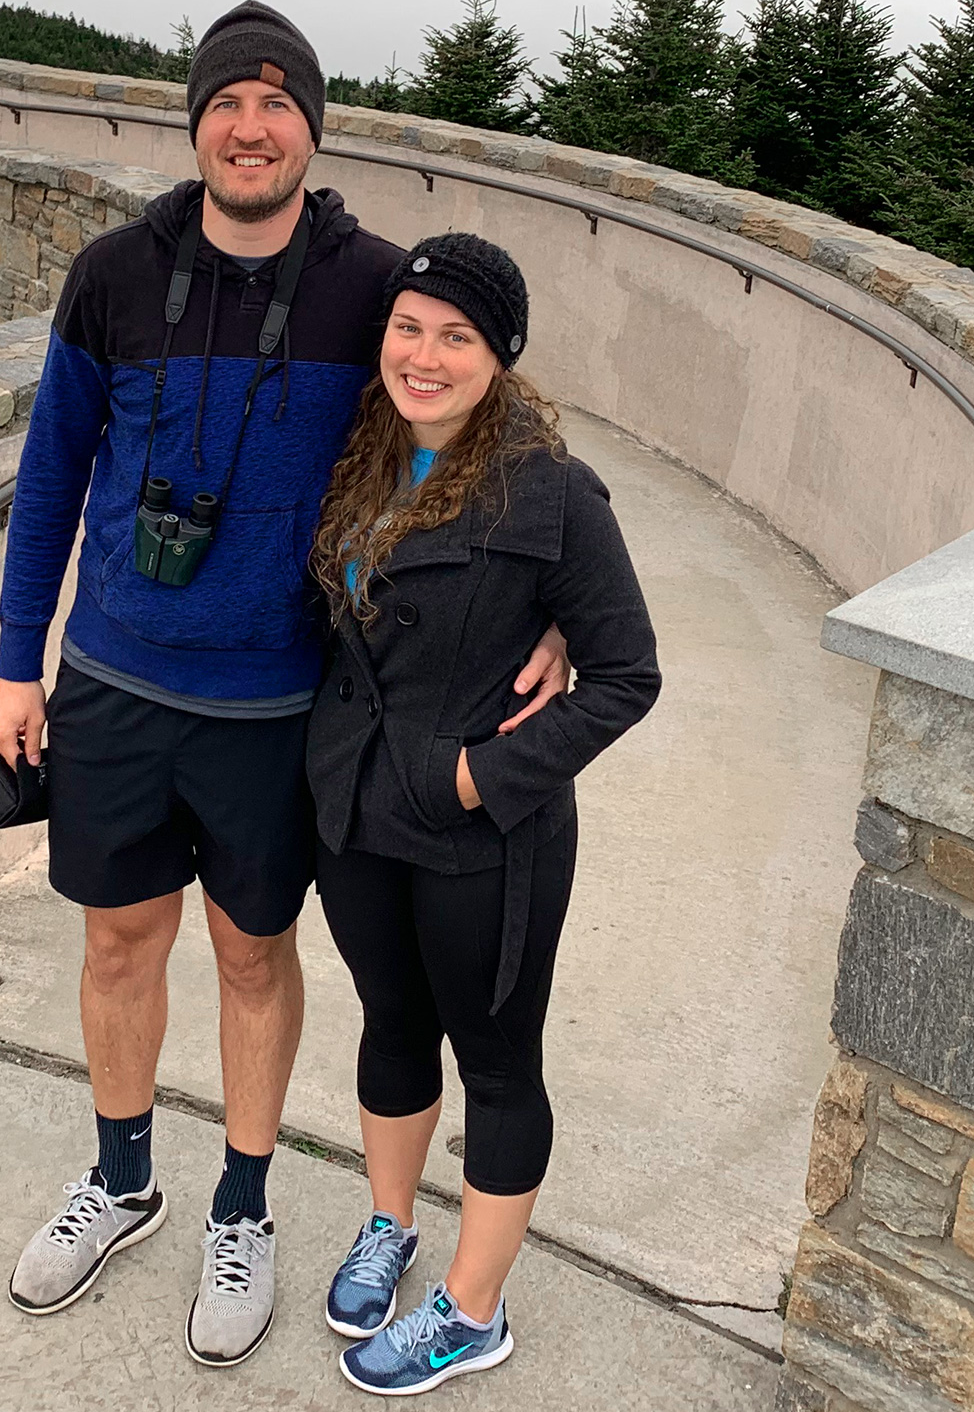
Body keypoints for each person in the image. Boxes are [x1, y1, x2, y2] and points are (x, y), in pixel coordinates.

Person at [0, 2, 570, 1367]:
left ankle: (241, 1205)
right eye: (226, 102)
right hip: (116, 682)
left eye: (278, 103)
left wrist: (561, 615)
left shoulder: (372, 285)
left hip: (280, 703)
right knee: (118, 942)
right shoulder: (112, 276)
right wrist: (17, 668)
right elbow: (53, 472)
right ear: (194, 122)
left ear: (314, 126)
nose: (250, 127)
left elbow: (487, 424)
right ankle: (125, 1179)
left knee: (253, 954)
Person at [304, 233, 659, 1395]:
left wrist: (480, 780)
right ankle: (391, 1225)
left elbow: (624, 676)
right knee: (392, 1025)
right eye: (409, 326)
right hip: (355, 817)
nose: (425, 354)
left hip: (481, 841)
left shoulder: (551, 490)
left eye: (455, 336)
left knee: (497, 1066)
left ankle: (472, 1308)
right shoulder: (361, 450)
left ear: (499, 356)